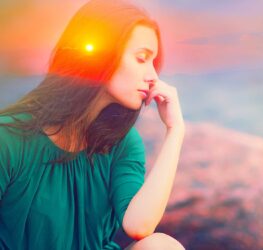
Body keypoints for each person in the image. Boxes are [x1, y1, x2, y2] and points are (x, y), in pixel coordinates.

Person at [0, 0, 185, 249]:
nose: (153, 76)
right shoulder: (9, 138)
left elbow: (139, 226)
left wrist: (175, 131)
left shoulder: (123, 143)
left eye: (154, 62)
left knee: (162, 246)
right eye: (142, 58)